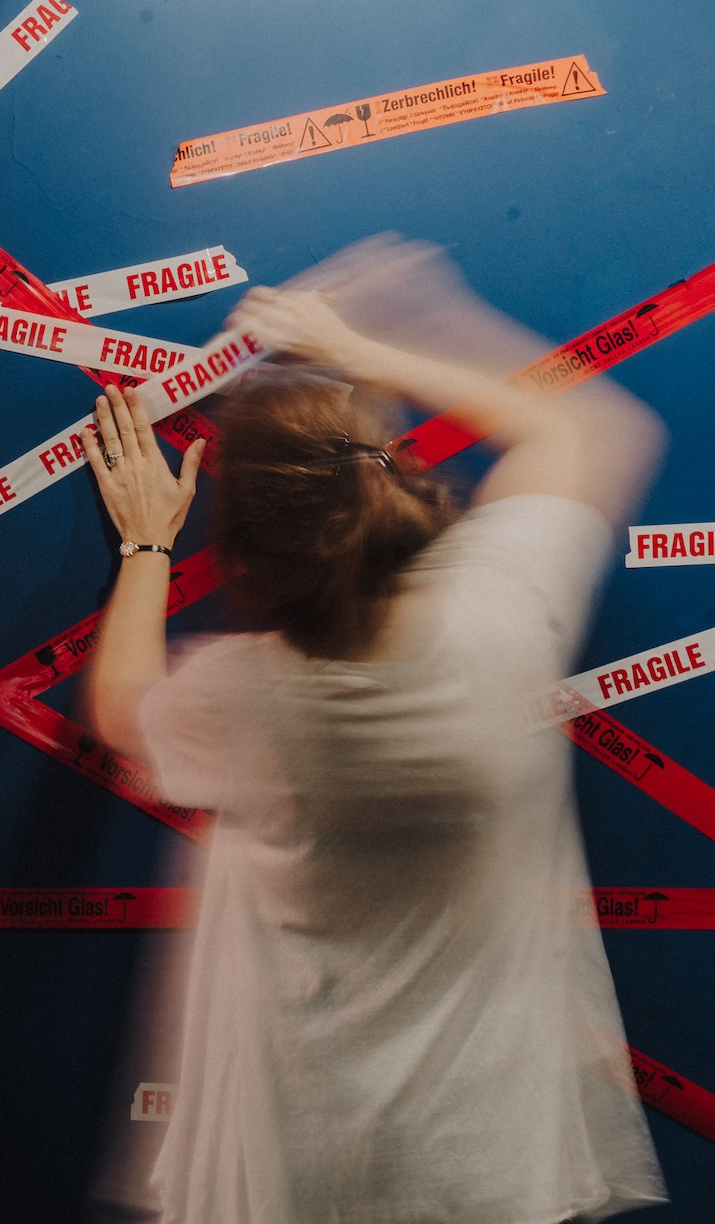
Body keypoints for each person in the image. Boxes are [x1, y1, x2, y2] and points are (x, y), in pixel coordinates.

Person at [79, 240, 668, 1223]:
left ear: (243, 551)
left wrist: (145, 544)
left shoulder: (242, 696)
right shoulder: (498, 613)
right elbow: (581, 430)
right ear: (389, 475)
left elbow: (119, 707)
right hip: (490, 1160)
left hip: (295, 1165)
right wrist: (367, 348)